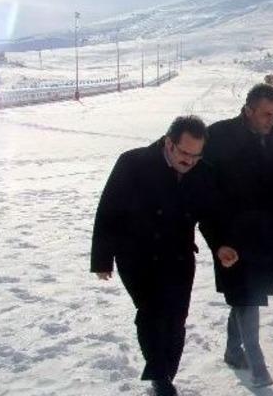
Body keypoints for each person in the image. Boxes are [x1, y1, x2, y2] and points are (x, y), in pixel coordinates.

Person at [91, 116, 239, 396]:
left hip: (179, 255)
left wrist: (221, 245)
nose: (190, 161)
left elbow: (211, 216)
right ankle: (160, 377)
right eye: (185, 153)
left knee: (176, 318)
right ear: (169, 143)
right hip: (136, 255)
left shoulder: (203, 172)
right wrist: (102, 259)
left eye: (196, 155)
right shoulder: (133, 163)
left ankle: (165, 372)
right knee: (152, 313)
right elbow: (109, 210)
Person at [201, 84, 273, 387]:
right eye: (266, 114)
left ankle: (231, 351)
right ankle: (258, 365)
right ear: (248, 109)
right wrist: (217, 237)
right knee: (245, 294)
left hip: (266, 233)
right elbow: (206, 189)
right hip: (230, 233)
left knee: (248, 295)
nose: (271, 120)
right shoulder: (219, 136)